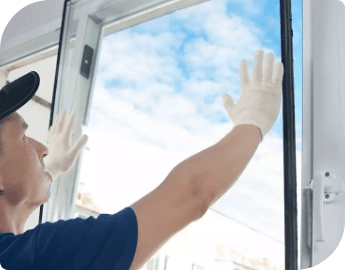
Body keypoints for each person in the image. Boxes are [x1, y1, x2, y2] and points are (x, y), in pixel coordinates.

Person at [0, 49, 283, 270]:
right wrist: (252, 123)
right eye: (24, 138)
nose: (42, 148)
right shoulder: (41, 256)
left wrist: (49, 172)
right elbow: (191, 194)